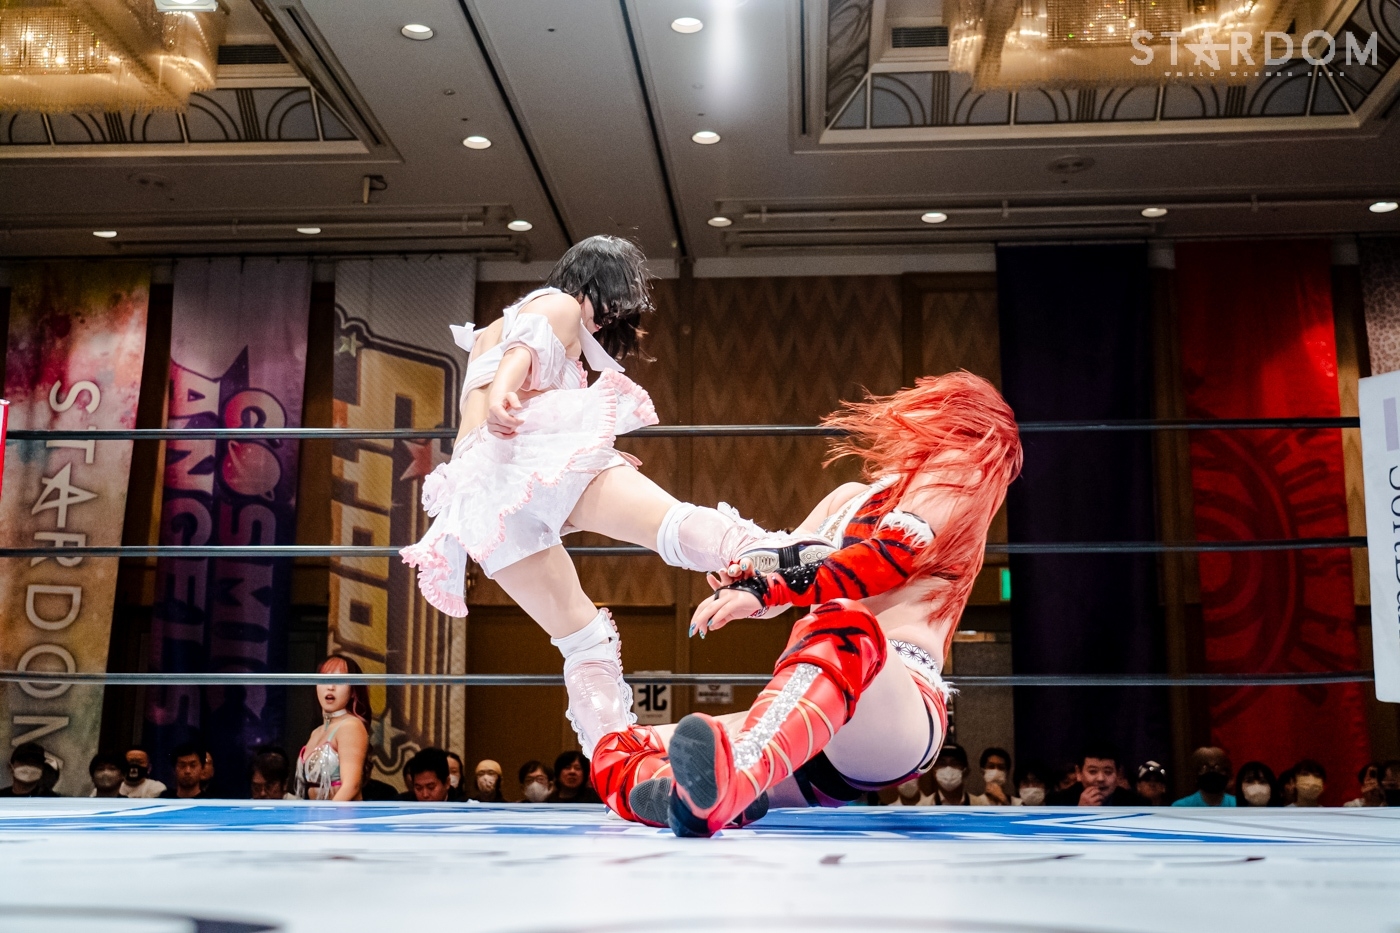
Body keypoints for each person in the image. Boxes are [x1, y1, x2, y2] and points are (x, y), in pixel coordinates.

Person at [400, 236, 831, 762]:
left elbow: (506, 371)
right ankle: (781, 561)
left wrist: (529, 418)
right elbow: (521, 355)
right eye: (616, 300)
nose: (611, 317)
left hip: (481, 494)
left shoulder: (495, 325)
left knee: (581, 639)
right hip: (527, 453)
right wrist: (505, 400)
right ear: (596, 284)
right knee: (668, 522)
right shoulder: (559, 302)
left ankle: (616, 759)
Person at [590, 374, 1023, 833]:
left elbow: (888, 559)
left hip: (890, 706)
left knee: (847, 621)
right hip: (812, 723)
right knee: (617, 750)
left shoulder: (963, 466)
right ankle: (703, 797)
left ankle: (737, 778)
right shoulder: (848, 498)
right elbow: (788, 565)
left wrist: (768, 588)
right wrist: (746, 580)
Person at [294, 655, 371, 801]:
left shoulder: (351, 725)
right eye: (325, 679)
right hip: (315, 812)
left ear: (353, 691)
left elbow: (351, 786)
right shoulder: (316, 732)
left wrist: (330, 813)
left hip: (339, 814)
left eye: (340, 681)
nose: (330, 687)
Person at [1046, 746, 1145, 806]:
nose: (1100, 778)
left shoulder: (1137, 804)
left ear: (1118, 774)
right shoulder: (1057, 802)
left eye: (1108, 772)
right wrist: (1079, 812)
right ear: (1079, 773)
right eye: (1092, 772)